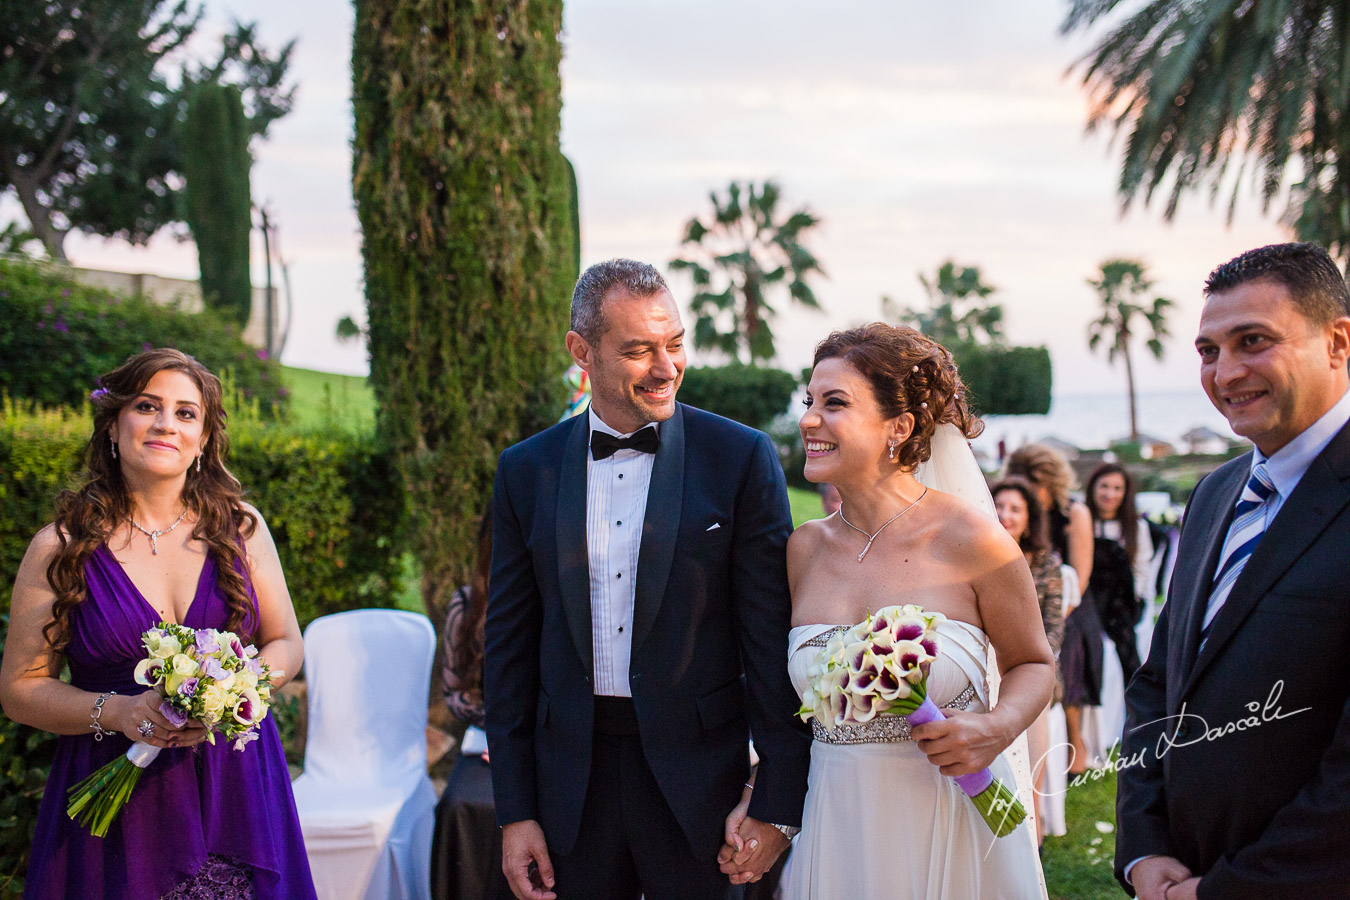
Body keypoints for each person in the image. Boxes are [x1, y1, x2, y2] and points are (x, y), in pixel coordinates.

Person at [483, 259, 810, 900]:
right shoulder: (527, 470)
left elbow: (771, 642)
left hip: (702, 787)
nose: (666, 368)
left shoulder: (741, 459)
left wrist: (775, 801)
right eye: (638, 350)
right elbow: (509, 649)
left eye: (675, 344)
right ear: (582, 351)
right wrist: (515, 809)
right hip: (568, 788)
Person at [0, 349, 316, 900]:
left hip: (236, 786)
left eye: (186, 413)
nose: (167, 423)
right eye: (148, 406)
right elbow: (20, 689)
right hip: (120, 800)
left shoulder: (241, 528)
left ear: (202, 441)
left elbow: (285, 641)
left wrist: (238, 689)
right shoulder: (60, 548)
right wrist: (120, 712)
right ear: (115, 426)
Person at [783, 324, 1053, 898]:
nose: (808, 419)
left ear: (898, 427)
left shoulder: (972, 537)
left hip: (948, 816)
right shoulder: (803, 548)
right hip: (838, 820)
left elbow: (1035, 663)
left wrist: (994, 727)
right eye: (809, 401)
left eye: (834, 403)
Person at [1116, 242, 1350, 900]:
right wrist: (1142, 845)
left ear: (1337, 343)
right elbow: (1159, 683)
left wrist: (1231, 890)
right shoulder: (1215, 494)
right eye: (1208, 351)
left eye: (1254, 341)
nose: (1226, 373)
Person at [431, 509, 511, 900]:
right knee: (459, 804)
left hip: (548, 742)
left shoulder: (559, 598)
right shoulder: (467, 605)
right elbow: (455, 695)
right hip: (486, 742)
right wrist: (501, 728)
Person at [1004, 443, 1098, 775]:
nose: (1029, 492)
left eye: (1036, 485)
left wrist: (1046, 625)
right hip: (1024, 605)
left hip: (1068, 606)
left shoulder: (1074, 513)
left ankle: (1076, 746)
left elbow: (1080, 578)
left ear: (1051, 483)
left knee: (1066, 659)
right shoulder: (1013, 514)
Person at [992, 477, 1065, 845]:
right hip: (985, 674)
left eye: (1015, 509)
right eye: (999, 505)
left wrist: (1025, 665)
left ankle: (1032, 850)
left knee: (1030, 772)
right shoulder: (975, 553)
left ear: (1029, 518)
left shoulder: (1045, 563)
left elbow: (1053, 626)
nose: (1005, 515)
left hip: (1031, 672)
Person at [1084, 463, 1153, 680]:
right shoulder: (1081, 522)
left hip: (1120, 608)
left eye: (1117, 488)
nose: (1109, 494)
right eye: (1104, 486)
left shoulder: (1136, 528)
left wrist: (1133, 601)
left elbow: (1141, 568)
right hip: (1088, 603)